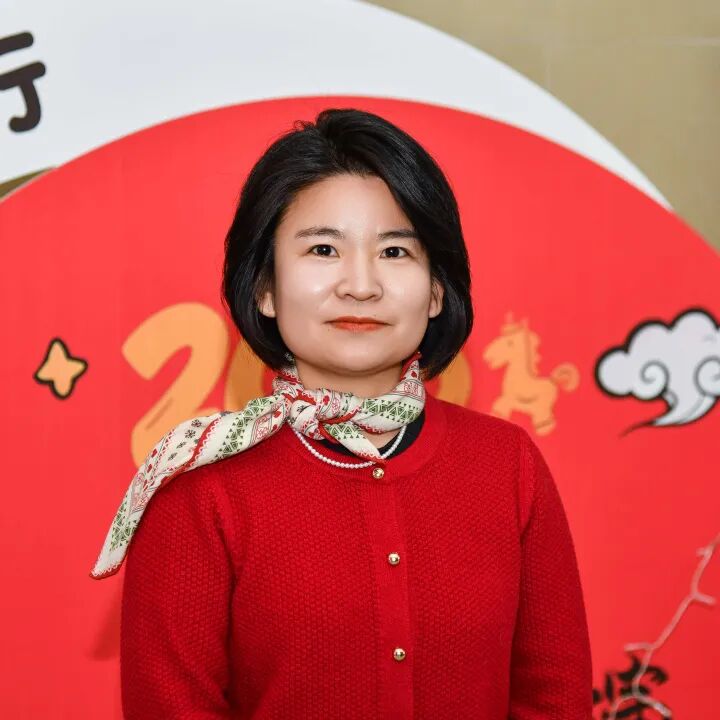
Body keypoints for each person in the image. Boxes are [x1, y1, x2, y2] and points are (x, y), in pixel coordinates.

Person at [90, 107, 593, 718]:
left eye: (395, 251)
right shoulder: (199, 484)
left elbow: (554, 697)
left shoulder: (506, 464)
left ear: (437, 289)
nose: (360, 285)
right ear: (265, 288)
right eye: (324, 249)